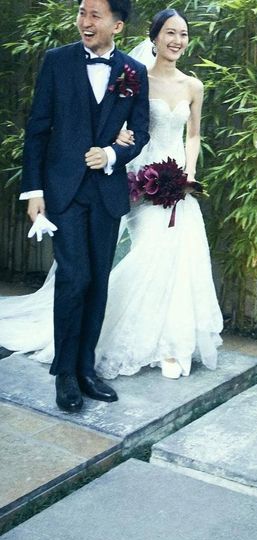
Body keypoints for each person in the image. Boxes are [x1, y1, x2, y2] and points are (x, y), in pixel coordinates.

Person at [0, 9, 223, 388]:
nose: (177, 40)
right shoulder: (100, 69)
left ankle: (129, 356)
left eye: (183, 34)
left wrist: (180, 172)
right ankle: (78, 364)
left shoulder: (165, 79)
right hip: (102, 184)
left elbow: (168, 132)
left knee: (140, 269)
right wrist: (39, 188)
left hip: (146, 185)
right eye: (170, 33)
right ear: (154, 37)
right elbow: (62, 126)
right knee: (104, 267)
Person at [16, 0, 150, 413]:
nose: (84, 22)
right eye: (81, 12)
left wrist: (112, 154)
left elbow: (140, 130)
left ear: (117, 25)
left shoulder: (134, 71)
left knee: (97, 282)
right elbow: (37, 130)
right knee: (74, 278)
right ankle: (65, 374)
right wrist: (33, 191)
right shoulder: (56, 61)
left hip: (106, 193)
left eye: (95, 15)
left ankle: (86, 368)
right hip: (63, 191)